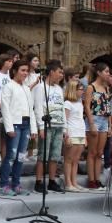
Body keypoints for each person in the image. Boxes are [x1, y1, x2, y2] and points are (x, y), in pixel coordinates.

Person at [0, 57, 38, 196]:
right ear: (15, 71)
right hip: (14, 125)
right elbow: (5, 108)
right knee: (11, 155)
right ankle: (4, 184)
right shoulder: (9, 86)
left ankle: (16, 184)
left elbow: (30, 109)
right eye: (22, 70)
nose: (25, 73)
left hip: (26, 125)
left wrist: (33, 128)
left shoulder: (27, 88)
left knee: (21, 156)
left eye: (27, 71)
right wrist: (9, 128)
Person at [33, 60, 66, 193]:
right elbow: (38, 108)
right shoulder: (41, 88)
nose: (61, 75)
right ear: (51, 72)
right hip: (47, 125)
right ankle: (39, 181)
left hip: (59, 124)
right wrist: (41, 126)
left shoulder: (59, 89)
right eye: (59, 72)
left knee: (55, 155)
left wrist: (65, 127)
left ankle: (52, 181)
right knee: (43, 154)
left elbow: (62, 107)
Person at [84, 63, 112, 189]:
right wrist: (91, 123)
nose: (108, 74)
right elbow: (87, 105)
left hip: (104, 119)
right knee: (92, 152)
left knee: (100, 152)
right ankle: (91, 179)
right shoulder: (91, 87)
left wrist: (110, 126)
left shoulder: (106, 88)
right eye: (106, 72)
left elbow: (108, 107)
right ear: (99, 72)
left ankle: (97, 178)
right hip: (94, 119)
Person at [63, 80, 87, 192]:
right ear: (74, 90)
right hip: (72, 133)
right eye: (81, 89)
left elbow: (81, 120)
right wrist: (66, 135)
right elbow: (65, 120)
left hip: (80, 132)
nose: (83, 92)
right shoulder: (67, 103)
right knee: (69, 159)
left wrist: (85, 136)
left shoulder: (79, 103)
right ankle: (68, 183)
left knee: (76, 160)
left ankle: (74, 182)